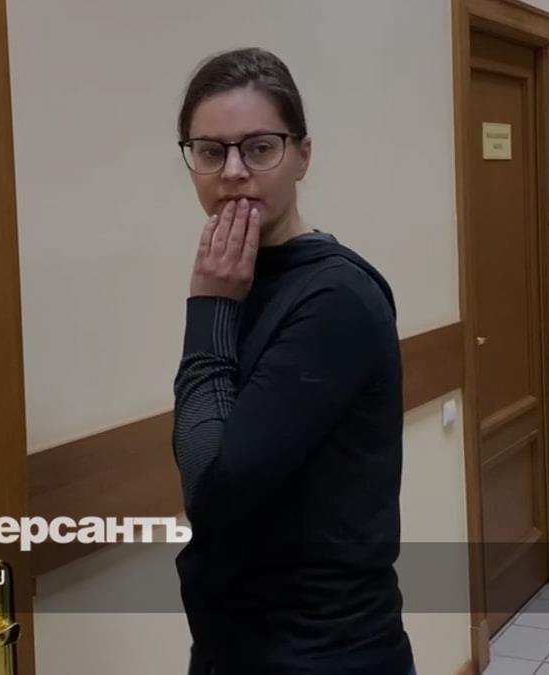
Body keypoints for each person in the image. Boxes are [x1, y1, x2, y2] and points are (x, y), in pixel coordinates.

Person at [170, 47, 416, 675]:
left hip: (324, 654)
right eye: (210, 151)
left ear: (303, 156)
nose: (233, 171)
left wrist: (208, 307)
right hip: (236, 645)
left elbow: (211, 488)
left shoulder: (334, 297)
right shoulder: (242, 279)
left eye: (259, 148)